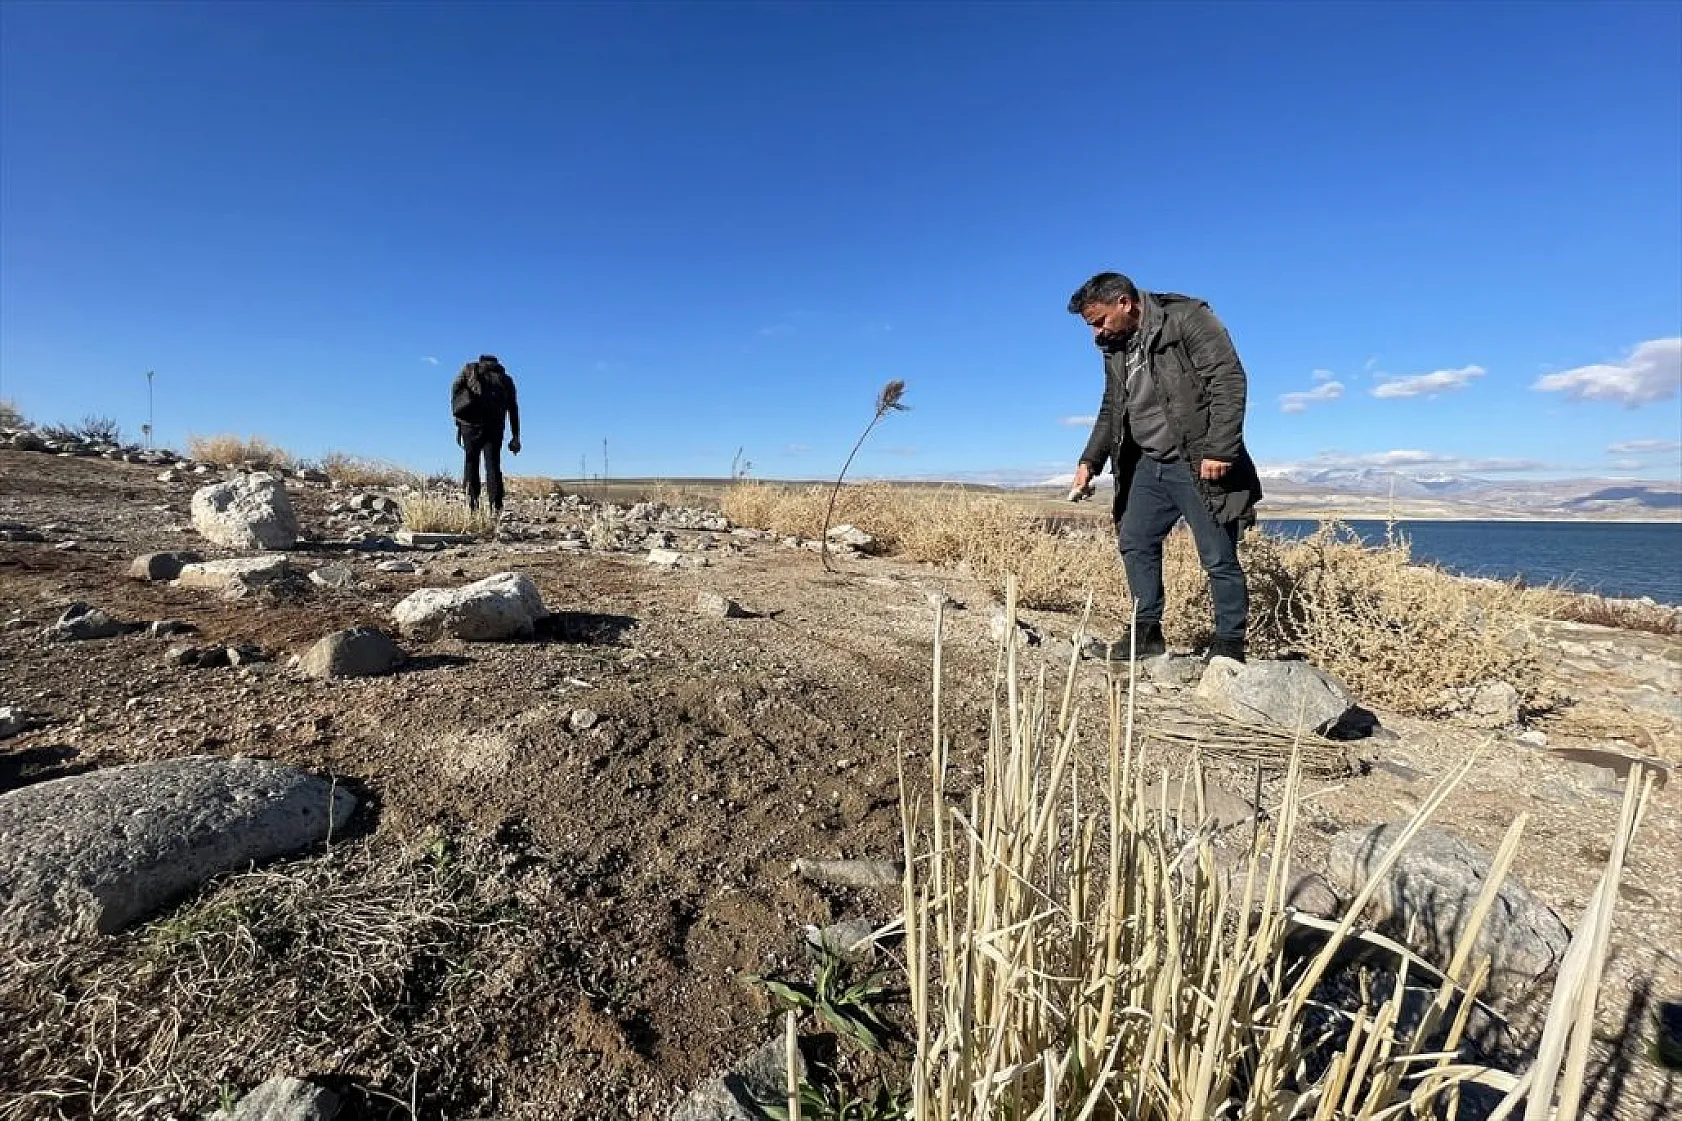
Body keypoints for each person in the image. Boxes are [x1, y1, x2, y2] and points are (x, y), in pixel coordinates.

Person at [1067, 272, 1262, 662]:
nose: (1096, 333)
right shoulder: (1116, 346)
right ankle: (1147, 631)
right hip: (1146, 462)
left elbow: (1228, 380)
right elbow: (1112, 408)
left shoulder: (1188, 318)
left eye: (1100, 321)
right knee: (1136, 540)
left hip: (1196, 461)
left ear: (1125, 303)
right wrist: (1090, 460)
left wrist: (1220, 450)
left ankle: (1228, 645)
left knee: (1217, 555)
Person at [450, 354, 522, 514]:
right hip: (495, 427)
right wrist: (516, 436)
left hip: (469, 425)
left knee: (471, 463)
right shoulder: (505, 379)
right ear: (497, 363)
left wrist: (458, 416)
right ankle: (495, 508)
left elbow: (455, 390)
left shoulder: (469, 370)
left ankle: (472, 506)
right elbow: (513, 408)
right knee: (493, 465)